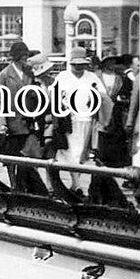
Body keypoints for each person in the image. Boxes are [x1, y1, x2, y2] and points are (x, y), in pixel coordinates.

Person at [53, 47, 110, 193]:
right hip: (69, 120)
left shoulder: (92, 77)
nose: (78, 68)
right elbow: (54, 96)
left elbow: (103, 95)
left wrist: (95, 99)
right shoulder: (62, 77)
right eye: (75, 65)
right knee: (71, 151)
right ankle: (76, 183)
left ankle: (76, 184)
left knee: (81, 153)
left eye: (81, 65)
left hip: (87, 120)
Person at [0, 41, 38, 157]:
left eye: (26, 55)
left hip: (28, 122)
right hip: (12, 122)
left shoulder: (29, 72)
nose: (25, 58)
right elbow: (1, 101)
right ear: (16, 57)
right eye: (23, 55)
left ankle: (22, 175)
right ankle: (12, 175)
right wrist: (2, 123)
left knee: (28, 156)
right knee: (12, 156)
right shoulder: (4, 75)